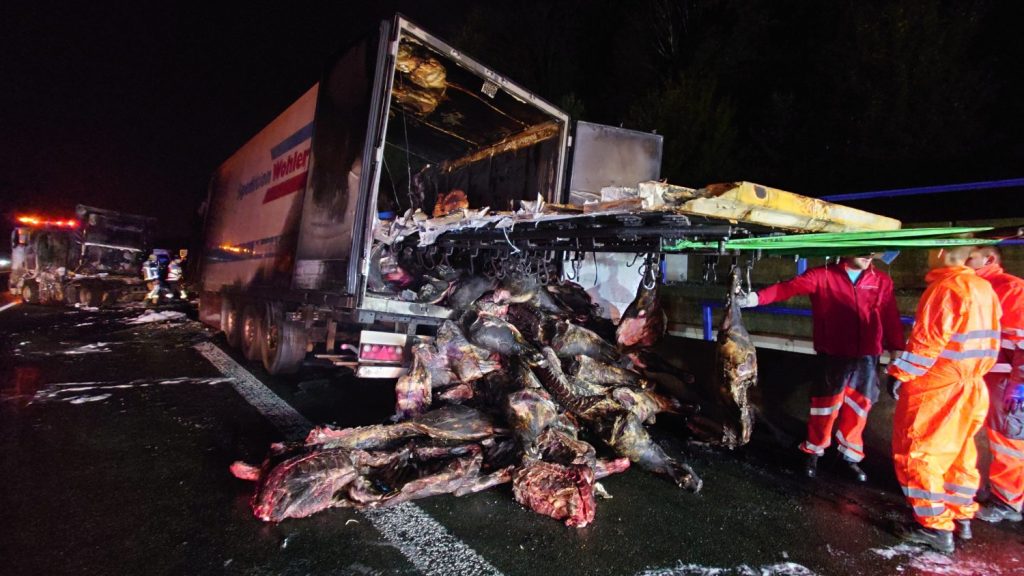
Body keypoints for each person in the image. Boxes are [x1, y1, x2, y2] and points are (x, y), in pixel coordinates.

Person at [737, 255, 904, 482]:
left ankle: (849, 458)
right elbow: (788, 288)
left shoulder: (881, 280)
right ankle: (813, 453)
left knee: (859, 408)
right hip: (833, 356)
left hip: (866, 358)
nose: (868, 256)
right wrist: (754, 299)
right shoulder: (822, 275)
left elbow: (890, 316)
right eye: (862, 251)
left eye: (872, 252)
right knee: (825, 408)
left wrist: (897, 354)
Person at [886, 245, 1001, 553]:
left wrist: (899, 373)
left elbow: (927, 342)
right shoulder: (983, 287)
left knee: (918, 453)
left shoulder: (946, 287)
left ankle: (934, 527)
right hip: (973, 385)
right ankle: (961, 517)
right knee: (960, 453)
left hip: (938, 387)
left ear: (940, 251)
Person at [965, 246, 1024, 523]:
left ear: (988, 259)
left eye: (969, 257)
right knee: (995, 437)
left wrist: (1019, 383)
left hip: (1005, 379)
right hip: (983, 376)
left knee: (1007, 440)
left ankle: (1008, 501)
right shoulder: (975, 286)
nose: (962, 261)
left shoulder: (1011, 289)